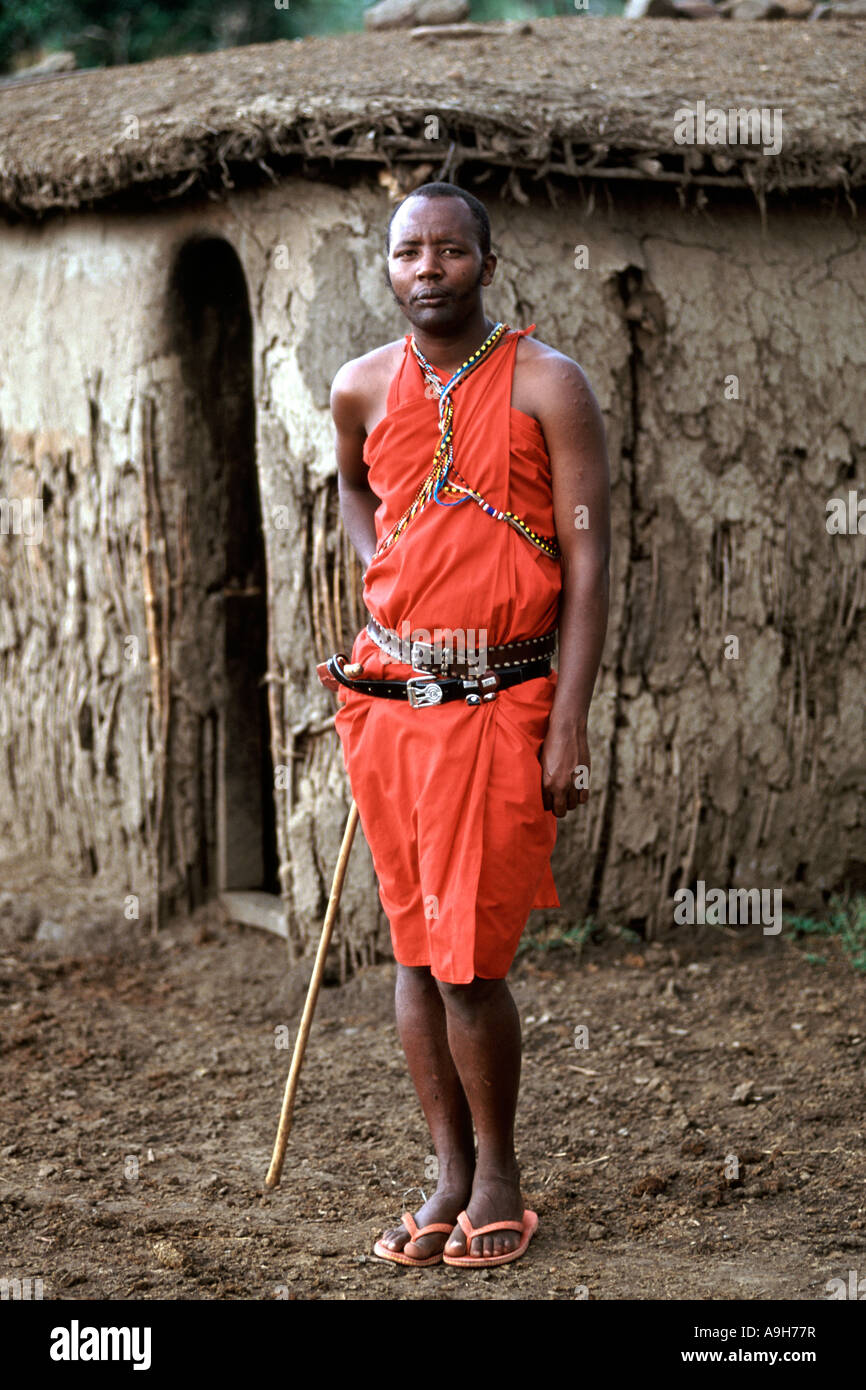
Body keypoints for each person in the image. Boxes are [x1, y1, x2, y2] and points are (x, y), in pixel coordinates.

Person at [326, 181, 610, 1268]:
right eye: (408, 253)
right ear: (388, 270)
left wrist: (568, 720)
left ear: (486, 264)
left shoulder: (548, 384)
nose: (426, 268)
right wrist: (381, 571)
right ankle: (443, 1176)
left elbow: (586, 556)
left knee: (467, 961)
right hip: (390, 704)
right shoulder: (359, 387)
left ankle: (497, 1174)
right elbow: (352, 491)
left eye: (449, 249)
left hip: (503, 702)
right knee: (412, 948)